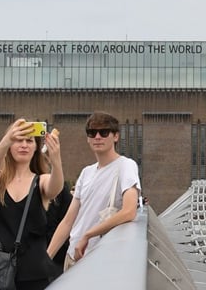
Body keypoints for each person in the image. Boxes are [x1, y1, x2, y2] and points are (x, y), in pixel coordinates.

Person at [0, 119, 63, 290]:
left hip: (34, 275)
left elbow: (54, 188)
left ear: (36, 147)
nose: (24, 145)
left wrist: (56, 160)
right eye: (18, 140)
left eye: (30, 141)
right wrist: (6, 140)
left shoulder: (41, 181)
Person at [48, 113, 140, 269]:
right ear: (88, 138)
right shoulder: (86, 172)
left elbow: (129, 211)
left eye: (104, 132)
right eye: (92, 133)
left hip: (101, 259)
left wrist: (88, 234)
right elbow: (68, 221)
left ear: (116, 136)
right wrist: (46, 258)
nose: (97, 137)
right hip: (74, 256)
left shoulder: (126, 165)